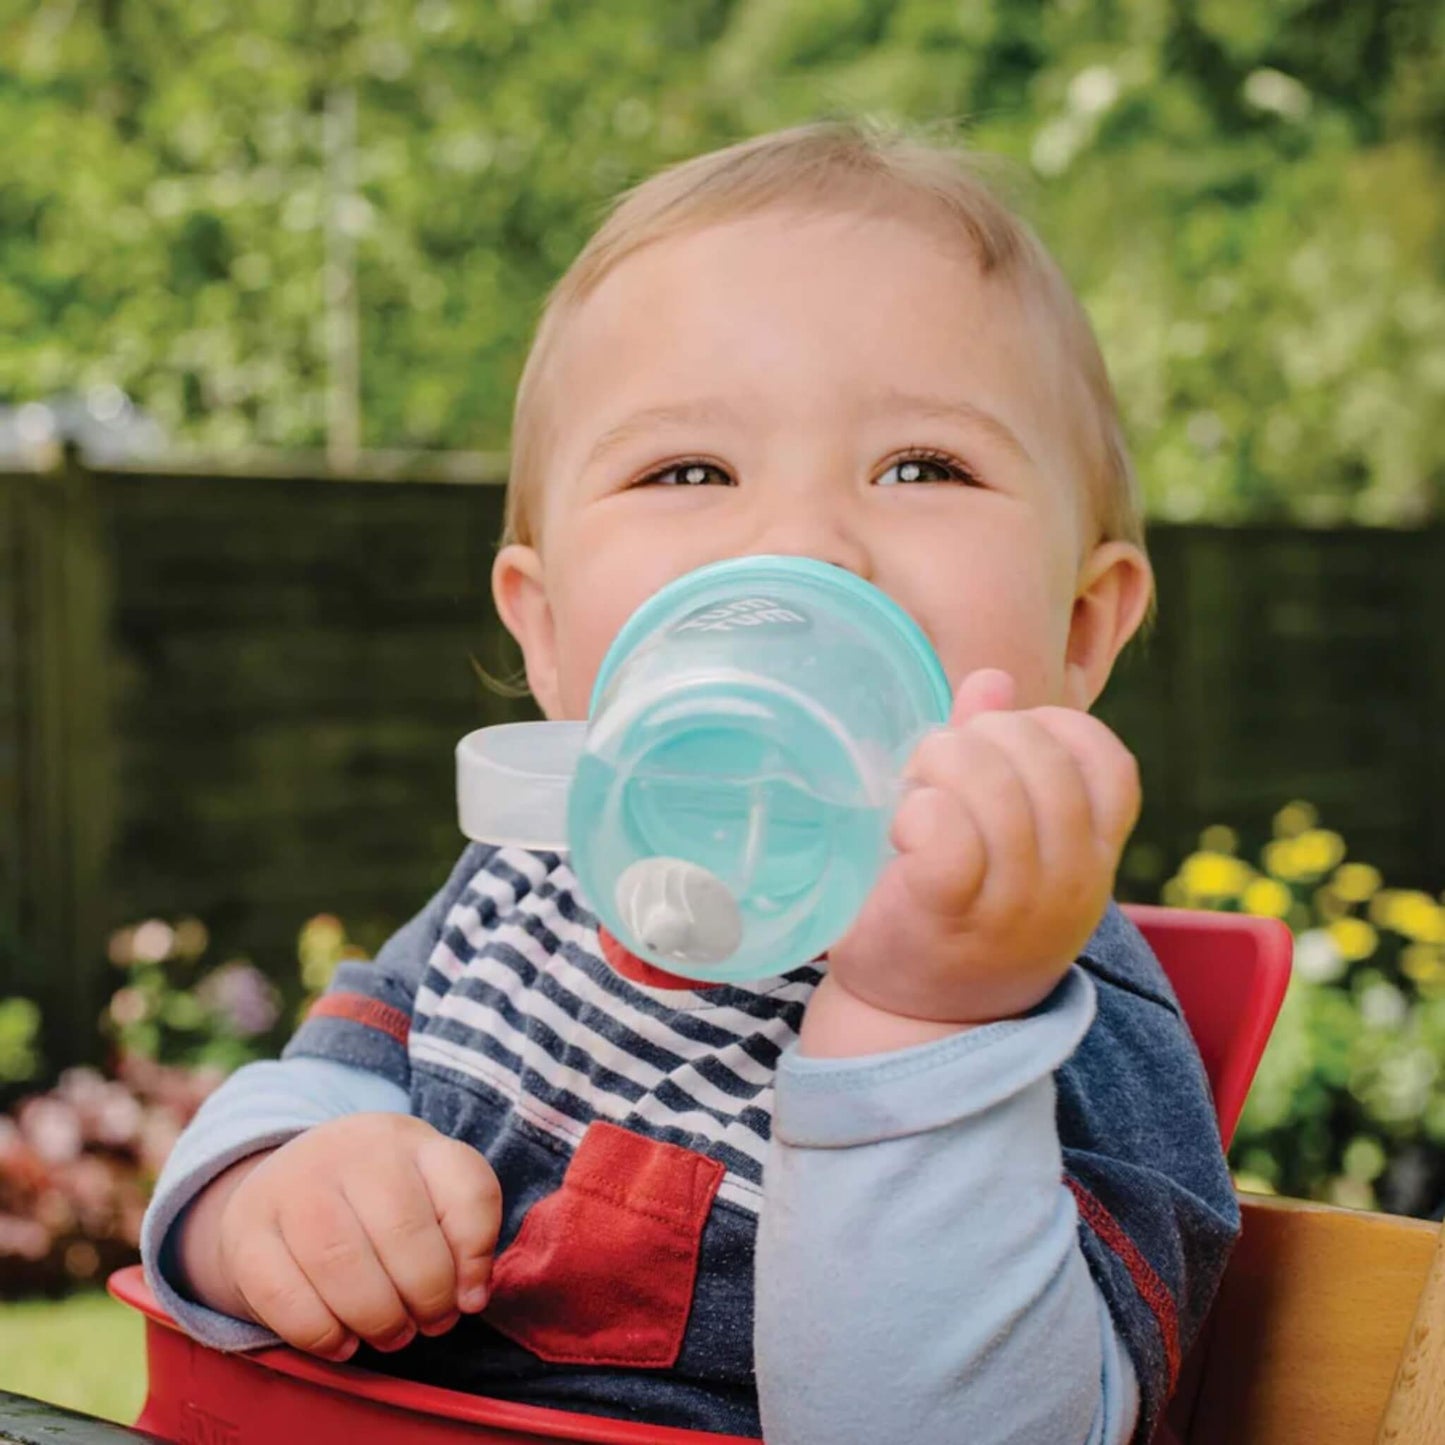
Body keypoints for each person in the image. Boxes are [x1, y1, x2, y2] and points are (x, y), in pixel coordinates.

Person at [141, 121, 1237, 1445]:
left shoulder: (1052, 1005)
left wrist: (923, 1020)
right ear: (543, 634)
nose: (803, 546)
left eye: (920, 467)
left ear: (1079, 628)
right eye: (687, 470)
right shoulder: (523, 884)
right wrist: (274, 1193)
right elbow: (319, 1082)